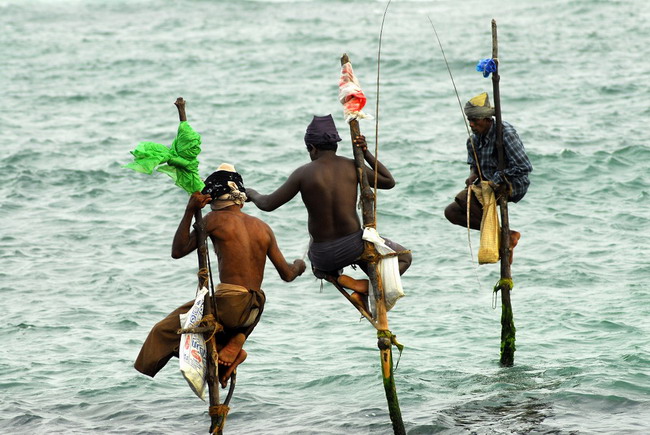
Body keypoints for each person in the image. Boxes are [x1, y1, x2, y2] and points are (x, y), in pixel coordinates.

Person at [134, 100, 306, 388]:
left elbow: (178, 252)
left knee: (162, 332)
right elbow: (287, 275)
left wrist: (190, 209)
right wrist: (300, 265)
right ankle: (231, 349)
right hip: (254, 309)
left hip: (229, 303)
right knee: (211, 328)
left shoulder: (215, 221)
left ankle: (215, 350)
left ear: (214, 199)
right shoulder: (264, 227)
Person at [246, 114, 411, 308]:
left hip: (321, 257)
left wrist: (251, 193)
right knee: (404, 257)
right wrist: (365, 154)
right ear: (336, 146)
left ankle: (354, 288)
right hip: (354, 248)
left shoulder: (303, 173)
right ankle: (367, 288)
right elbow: (388, 182)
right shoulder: (352, 166)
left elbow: (267, 204)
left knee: (320, 262)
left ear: (312, 148)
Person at [444, 92, 533, 263]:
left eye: (475, 120)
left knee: (465, 198)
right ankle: (505, 236)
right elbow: (474, 165)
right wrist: (473, 175)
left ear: (486, 119)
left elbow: (524, 167)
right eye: (469, 120)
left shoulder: (505, 133)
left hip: (512, 183)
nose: (471, 124)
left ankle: (505, 236)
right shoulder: (473, 141)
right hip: (488, 185)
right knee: (452, 212)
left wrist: (498, 178)